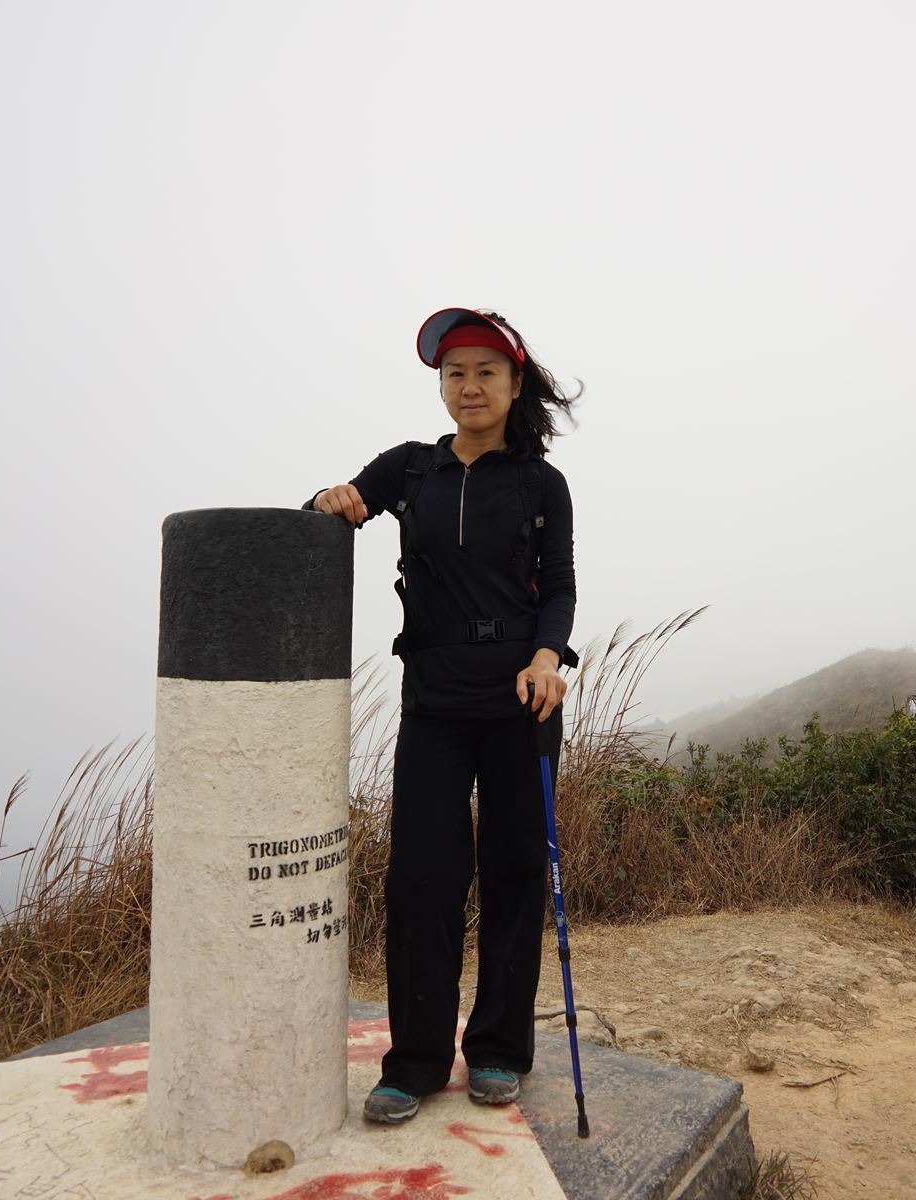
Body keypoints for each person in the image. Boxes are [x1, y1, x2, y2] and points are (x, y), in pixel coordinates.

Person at [304, 308, 578, 1125]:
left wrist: (547, 658)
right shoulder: (411, 469)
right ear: (442, 386)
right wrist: (330, 498)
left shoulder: (540, 484)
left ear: (515, 383)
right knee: (422, 877)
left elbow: (560, 585)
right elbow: (333, 509)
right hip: (433, 702)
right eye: (455, 372)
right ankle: (416, 1061)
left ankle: (497, 1051)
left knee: (514, 871)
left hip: (520, 699)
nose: (469, 386)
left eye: (486, 371)